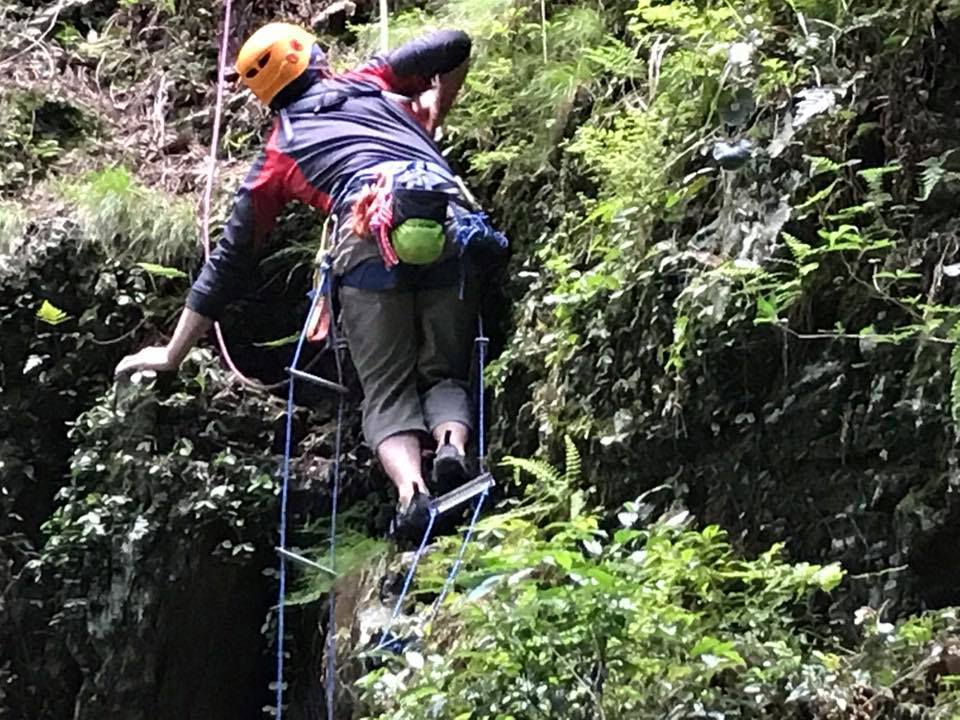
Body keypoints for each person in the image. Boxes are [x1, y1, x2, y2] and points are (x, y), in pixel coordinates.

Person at [114, 22, 506, 539]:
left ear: (265, 93)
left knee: (386, 393)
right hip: (443, 220)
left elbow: (228, 264)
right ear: (314, 59)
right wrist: (435, 113)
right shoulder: (370, 81)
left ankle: (413, 493)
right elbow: (454, 43)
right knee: (445, 374)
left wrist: (172, 353)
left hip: (366, 239)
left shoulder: (280, 152)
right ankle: (452, 446)